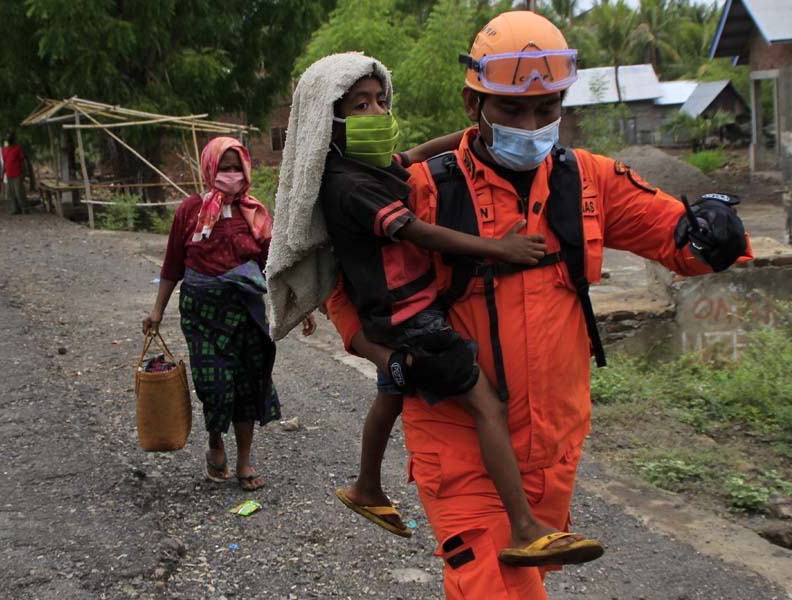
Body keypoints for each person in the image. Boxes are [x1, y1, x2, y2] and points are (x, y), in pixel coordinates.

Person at [325, 11, 753, 599]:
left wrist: (714, 233)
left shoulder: (590, 181)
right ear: (473, 104)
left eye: (547, 109)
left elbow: (678, 239)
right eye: (512, 110)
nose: (532, 124)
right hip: (457, 436)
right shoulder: (423, 189)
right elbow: (343, 286)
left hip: (552, 440)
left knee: (527, 577)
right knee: (491, 584)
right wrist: (385, 358)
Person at [268, 51, 603, 567]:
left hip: (390, 316)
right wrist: (498, 248)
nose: (378, 112)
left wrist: (475, 138)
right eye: (360, 106)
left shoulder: (368, 167)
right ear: (325, 121)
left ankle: (365, 486)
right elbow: (418, 232)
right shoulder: (351, 186)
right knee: (486, 403)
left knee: (394, 391)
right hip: (412, 317)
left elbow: (419, 152)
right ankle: (524, 525)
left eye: (380, 100)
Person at [142, 136, 315, 491]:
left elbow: (273, 264)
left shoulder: (255, 213)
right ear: (210, 168)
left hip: (247, 311)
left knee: (248, 385)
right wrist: (157, 311)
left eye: (237, 167)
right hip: (202, 312)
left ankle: (244, 460)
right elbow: (173, 264)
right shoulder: (190, 212)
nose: (231, 174)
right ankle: (215, 440)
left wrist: (298, 305)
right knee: (215, 384)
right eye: (224, 167)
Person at [1, 130, 28, 215]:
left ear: (13, 138)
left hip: (17, 174)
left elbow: (22, 161)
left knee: (19, 193)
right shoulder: (4, 149)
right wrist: (2, 173)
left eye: (10, 136)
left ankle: (24, 209)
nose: (8, 138)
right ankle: (14, 209)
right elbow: (5, 162)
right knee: (11, 194)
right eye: (7, 136)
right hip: (9, 175)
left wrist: (23, 174)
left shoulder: (17, 148)